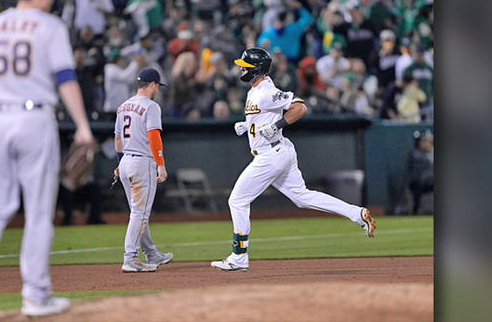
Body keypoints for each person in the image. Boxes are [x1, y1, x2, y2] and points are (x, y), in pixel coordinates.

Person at [0, 0, 94, 318]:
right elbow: (65, 78)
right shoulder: (49, 26)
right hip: (34, 118)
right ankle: (35, 294)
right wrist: (82, 125)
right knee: (37, 213)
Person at [211, 47, 376, 272]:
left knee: (237, 201)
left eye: (246, 66)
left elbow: (300, 107)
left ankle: (239, 256)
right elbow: (265, 114)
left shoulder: (266, 91)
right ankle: (356, 214)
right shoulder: (256, 89)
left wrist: (276, 125)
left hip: (270, 156)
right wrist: (249, 126)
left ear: (257, 69)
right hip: (279, 151)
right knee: (302, 197)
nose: (241, 68)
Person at [114, 68, 173, 272]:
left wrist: (120, 162)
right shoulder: (151, 106)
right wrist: (161, 164)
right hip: (142, 163)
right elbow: (154, 137)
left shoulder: (123, 106)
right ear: (152, 85)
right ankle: (130, 257)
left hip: (126, 162)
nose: (157, 89)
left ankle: (151, 254)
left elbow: (118, 139)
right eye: (157, 86)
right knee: (140, 213)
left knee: (137, 212)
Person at [407, 130, 434, 215]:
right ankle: (416, 211)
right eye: (424, 141)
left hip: (429, 181)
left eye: (429, 141)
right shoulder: (415, 154)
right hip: (418, 182)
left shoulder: (430, 153)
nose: (427, 143)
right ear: (419, 142)